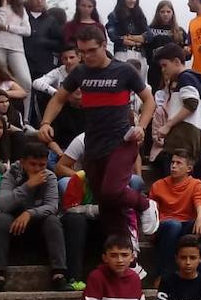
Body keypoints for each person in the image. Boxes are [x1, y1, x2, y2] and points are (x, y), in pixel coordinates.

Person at [38, 25, 155, 242]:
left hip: (121, 141)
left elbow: (149, 100)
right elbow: (59, 98)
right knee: (106, 204)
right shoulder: (80, 72)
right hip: (92, 145)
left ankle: (146, 204)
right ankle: (122, 251)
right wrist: (45, 123)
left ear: (103, 45)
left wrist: (142, 126)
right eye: (82, 52)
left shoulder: (124, 71)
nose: (87, 56)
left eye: (92, 50)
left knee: (112, 190)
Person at [0, 142, 66, 293]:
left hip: (38, 224)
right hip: (14, 225)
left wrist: (30, 213)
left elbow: (52, 206)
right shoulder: (10, 175)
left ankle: (59, 274)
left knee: (53, 221)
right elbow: (3, 204)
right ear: (23, 162)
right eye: (33, 164)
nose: (37, 169)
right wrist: (27, 186)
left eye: (42, 165)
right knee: (0, 219)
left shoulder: (49, 177)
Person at [149, 149, 201, 286]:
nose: (173, 166)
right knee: (173, 225)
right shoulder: (158, 185)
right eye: (172, 162)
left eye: (178, 163)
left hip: (186, 224)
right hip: (165, 226)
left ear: (189, 169)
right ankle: (164, 275)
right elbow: (152, 212)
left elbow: (199, 199)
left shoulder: (196, 183)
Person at [151, 43, 201, 176]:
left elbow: (191, 104)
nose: (163, 70)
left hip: (183, 143)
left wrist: (168, 125)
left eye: (165, 65)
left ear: (177, 62)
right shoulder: (190, 79)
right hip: (188, 142)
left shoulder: (186, 77)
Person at [22, 0, 63, 98]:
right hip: (25, 64)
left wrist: (44, 42)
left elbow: (60, 43)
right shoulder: (22, 17)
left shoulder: (51, 20)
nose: (39, 1)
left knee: (44, 96)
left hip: (44, 66)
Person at [106, 0, 148, 78]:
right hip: (123, 53)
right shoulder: (114, 15)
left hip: (140, 54)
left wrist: (131, 38)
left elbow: (149, 35)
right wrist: (137, 40)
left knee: (140, 83)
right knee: (122, 81)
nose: (132, 0)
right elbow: (113, 36)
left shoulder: (140, 16)